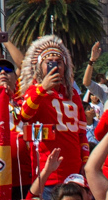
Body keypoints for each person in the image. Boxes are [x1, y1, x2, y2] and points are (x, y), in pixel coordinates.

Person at [16, 35, 86, 187]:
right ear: (39, 67)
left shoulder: (73, 94)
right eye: (49, 62)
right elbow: (25, 115)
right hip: (47, 174)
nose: (55, 66)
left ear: (65, 66)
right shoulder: (34, 90)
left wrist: (85, 161)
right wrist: (42, 89)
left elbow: (82, 133)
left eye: (59, 62)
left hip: (74, 172)